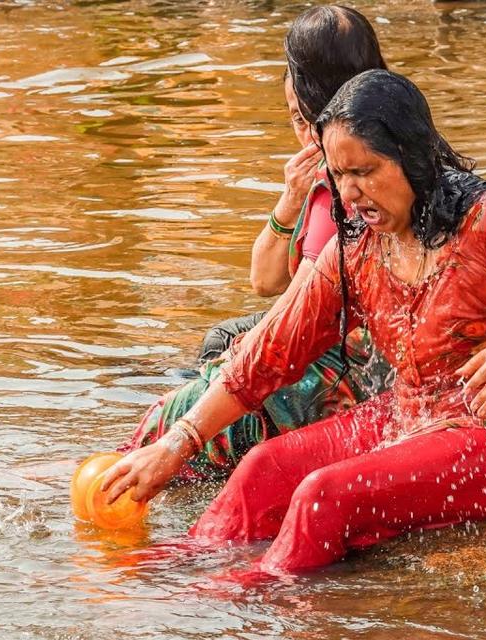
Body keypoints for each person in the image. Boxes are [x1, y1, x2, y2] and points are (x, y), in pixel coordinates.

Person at [103, 70, 486, 574]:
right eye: (339, 175)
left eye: (365, 171)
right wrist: (175, 445)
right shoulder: (355, 251)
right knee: (263, 468)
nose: (350, 193)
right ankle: (179, 574)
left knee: (325, 498)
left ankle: (241, 605)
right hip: (419, 414)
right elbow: (266, 355)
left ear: (412, 159)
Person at [118, 5, 391, 480]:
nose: (298, 130)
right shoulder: (382, 142)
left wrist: (195, 417)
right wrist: (290, 200)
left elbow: (299, 322)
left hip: (356, 360)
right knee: (221, 339)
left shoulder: (344, 182)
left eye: (298, 116)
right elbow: (264, 280)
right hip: (365, 342)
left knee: (181, 406)